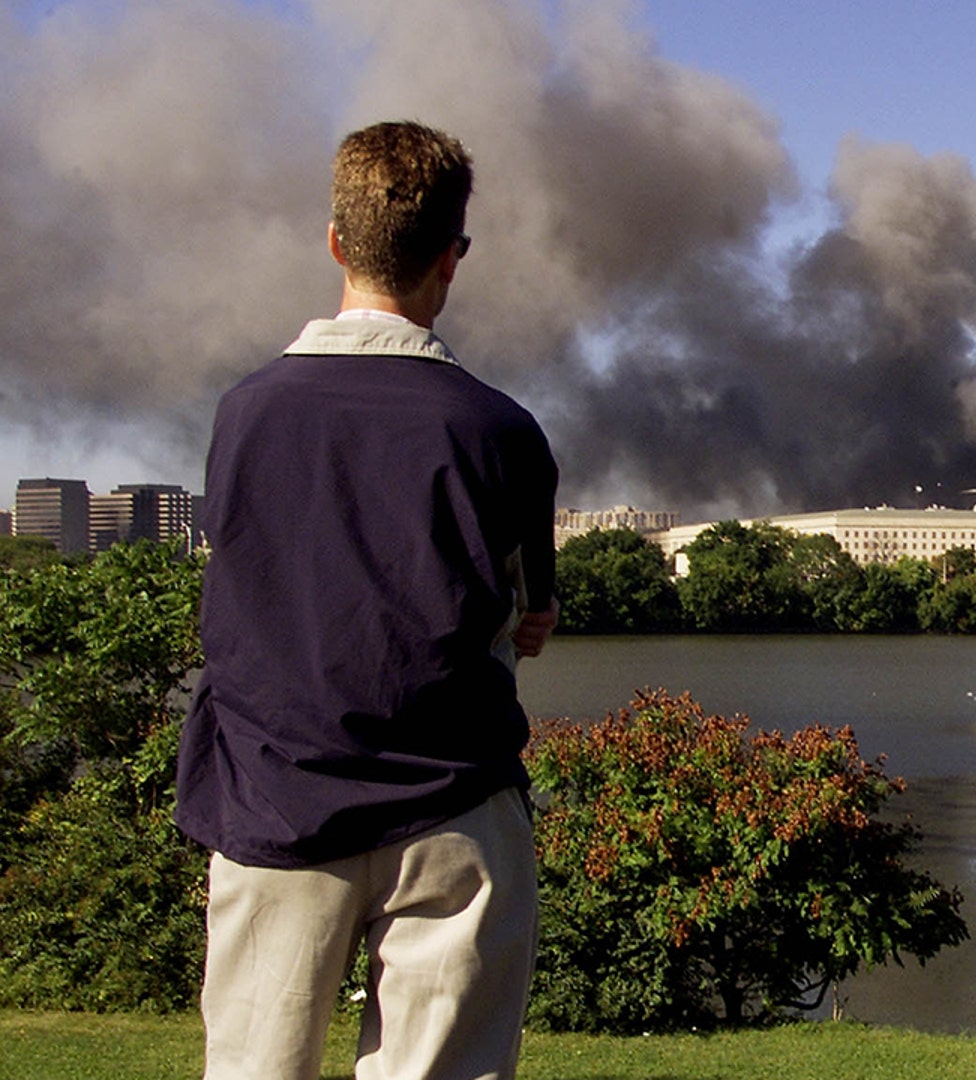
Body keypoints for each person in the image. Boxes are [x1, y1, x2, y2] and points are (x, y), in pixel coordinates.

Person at [176, 120, 559, 1080]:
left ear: (337, 242)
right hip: (453, 809)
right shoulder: (502, 431)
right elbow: (531, 618)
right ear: (451, 259)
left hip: (272, 800)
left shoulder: (245, 413)